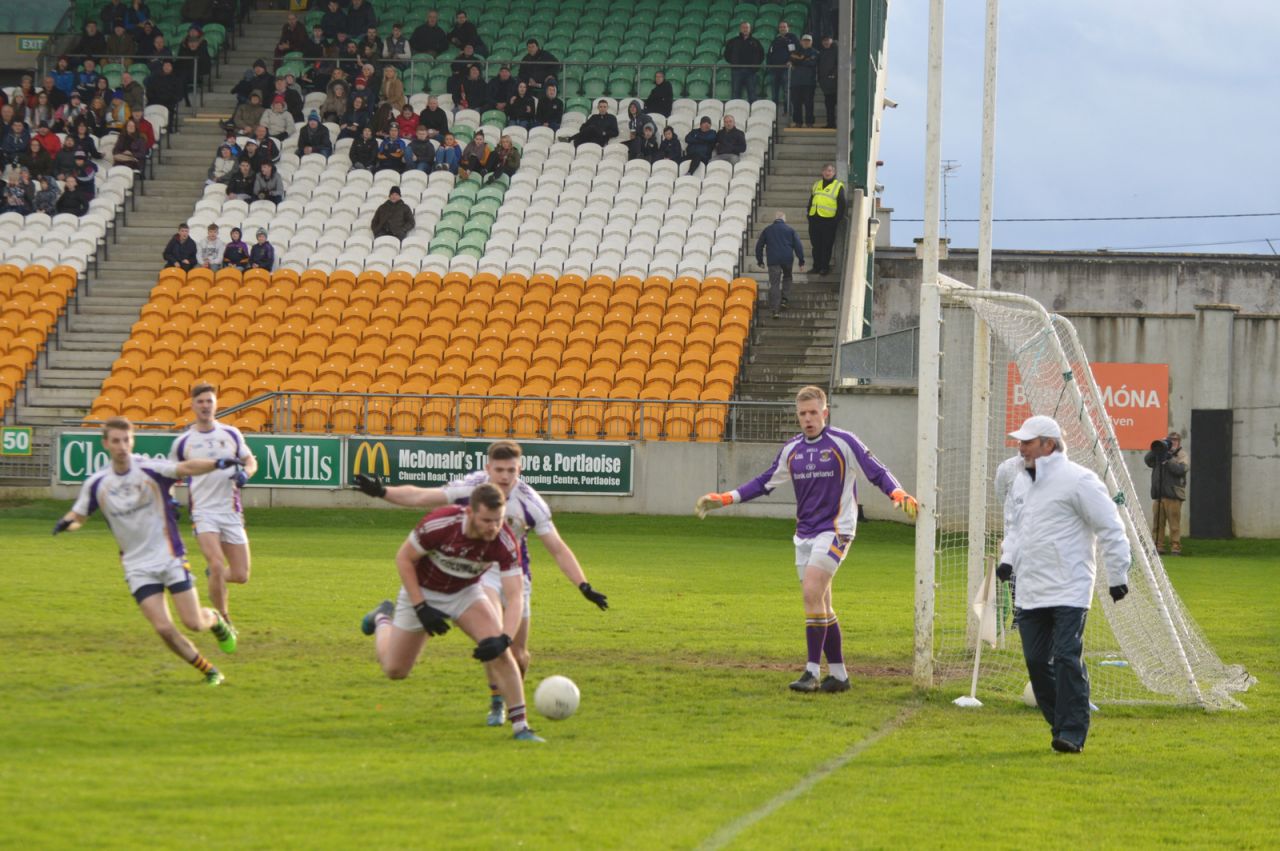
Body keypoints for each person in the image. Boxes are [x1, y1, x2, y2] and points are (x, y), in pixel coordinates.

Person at [353, 441, 608, 728]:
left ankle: (514, 713)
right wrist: (382, 492)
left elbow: (557, 548)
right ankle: (498, 704)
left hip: (512, 566)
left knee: (517, 653)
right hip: (479, 573)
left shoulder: (531, 503)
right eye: (498, 470)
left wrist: (583, 585)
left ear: (519, 470)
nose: (504, 476)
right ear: (488, 468)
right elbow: (422, 496)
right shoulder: (471, 489)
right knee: (492, 637)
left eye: (511, 470)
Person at [696, 385, 918, 693]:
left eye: (814, 412)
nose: (808, 418)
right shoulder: (793, 450)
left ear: (825, 412)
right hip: (805, 535)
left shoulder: (843, 442)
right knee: (821, 603)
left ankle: (811, 671)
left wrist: (898, 492)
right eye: (803, 414)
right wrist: (725, 498)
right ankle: (839, 676)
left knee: (812, 592)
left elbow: (876, 470)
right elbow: (764, 482)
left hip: (837, 529)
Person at [53, 416, 241, 686]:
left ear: (132, 441)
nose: (122, 446)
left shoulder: (150, 469)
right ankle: (210, 670)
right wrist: (66, 524)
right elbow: (79, 515)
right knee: (164, 628)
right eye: (116, 441)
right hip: (136, 566)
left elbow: (185, 467)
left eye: (126, 440)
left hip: (169, 557)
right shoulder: (97, 483)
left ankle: (216, 622)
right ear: (106, 444)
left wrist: (216, 463)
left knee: (193, 622)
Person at [356, 483, 545, 742]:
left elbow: (514, 597)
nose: (493, 527)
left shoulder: (504, 541)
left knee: (500, 651)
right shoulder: (441, 524)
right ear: (470, 513)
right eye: (487, 520)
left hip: (465, 593)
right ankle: (382, 618)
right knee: (395, 670)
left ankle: (521, 727)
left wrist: (505, 639)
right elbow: (404, 558)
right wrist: (421, 607)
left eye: (498, 520)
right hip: (423, 591)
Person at [999, 415, 1131, 753]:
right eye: (1021, 441)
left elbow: (1110, 527)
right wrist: (1007, 560)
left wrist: (1118, 575)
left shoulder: (1079, 481)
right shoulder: (1019, 483)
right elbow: (1015, 528)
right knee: (1035, 662)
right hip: (1029, 590)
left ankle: (1072, 731)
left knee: (1066, 656)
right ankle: (1061, 724)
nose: (1021, 446)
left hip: (1070, 588)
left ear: (1049, 444)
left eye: (1028, 441)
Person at [169, 384, 258, 623]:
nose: (205, 406)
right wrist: (168, 501)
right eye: (201, 401)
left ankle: (214, 577)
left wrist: (246, 474)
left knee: (241, 575)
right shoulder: (184, 442)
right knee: (217, 564)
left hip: (230, 512)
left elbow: (250, 460)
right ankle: (225, 619)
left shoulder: (231, 434)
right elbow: (170, 474)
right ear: (192, 405)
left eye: (209, 401)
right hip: (203, 513)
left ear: (216, 404)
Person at [1144, 430, 1188, 556]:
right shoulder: (1160, 453)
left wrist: (1169, 459)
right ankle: (1158, 546)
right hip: (1159, 494)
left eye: (1175, 440)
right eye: (1171, 440)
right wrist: (1157, 449)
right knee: (1157, 524)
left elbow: (1181, 470)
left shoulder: (1182, 455)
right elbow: (1147, 461)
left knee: (1174, 524)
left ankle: (1176, 547)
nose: (1173, 442)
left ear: (1179, 442)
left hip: (1174, 495)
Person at [755, 212, 805, 318]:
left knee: (775, 284)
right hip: (787, 259)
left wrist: (760, 261)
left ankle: (775, 310)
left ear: (775, 219)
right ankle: (785, 300)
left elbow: (759, 246)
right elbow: (798, 246)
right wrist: (801, 261)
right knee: (787, 277)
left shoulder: (767, 230)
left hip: (773, 260)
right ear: (784, 219)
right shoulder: (790, 230)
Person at [807, 162, 846, 274]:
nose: (827, 173)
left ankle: (824, 267)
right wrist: (809, 215)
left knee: (826, 245)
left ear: (834, 173)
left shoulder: (838, 186)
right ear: (822, 172)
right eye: (825, 170)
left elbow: (842, 204)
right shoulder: (816, 184)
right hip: (815, 218)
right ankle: (816, 267)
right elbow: (811, 200)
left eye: (830, 171)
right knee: (816, 245)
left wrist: (836, 220)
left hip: (829, 221)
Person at [723, 21, 764, 102]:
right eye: (743, 27)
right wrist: (733, 63)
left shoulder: (756, 42)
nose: (745, 29)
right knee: (735, 94)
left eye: (747, 27)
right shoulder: (733, 41)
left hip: (751, 72)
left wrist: (755, 68)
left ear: (750, 29)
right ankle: (735, 112)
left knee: (752, 94)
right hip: (737, 71)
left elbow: (761, 55)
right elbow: (726, 54)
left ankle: (753, 113)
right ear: (740, 29)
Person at [767, 21, 800, 106]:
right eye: (781, 27)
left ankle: (787, 112)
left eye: (784, 27)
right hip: (774, 70)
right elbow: (770, 53)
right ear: (778, 29)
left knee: (787, 91)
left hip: (786, 69)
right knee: (774, 93)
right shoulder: (775, 40)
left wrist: (791, 61)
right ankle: (774, 113)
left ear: (788, 28)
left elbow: (796, 51)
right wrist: (769, 65)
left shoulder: (793, 38)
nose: (782, 28)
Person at [789, 35, 818, 127]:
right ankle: (798, 122)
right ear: (801, 42)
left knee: (809, 104)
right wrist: (804, 59)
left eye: (808, 41)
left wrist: (797, 61)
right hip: (795, 82)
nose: (806, 42)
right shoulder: (796, 51)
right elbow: (791, 60)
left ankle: (809, 122)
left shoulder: (815, 52)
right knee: (796, 104)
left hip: (809, 82)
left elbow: (812, 63)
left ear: (811, 42)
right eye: (804, 40)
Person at [817, 35, 838, 128]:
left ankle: (839, 124)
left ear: (831, 40)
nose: (826, 42)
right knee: (829, 106)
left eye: (827, 40)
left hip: (837, 83)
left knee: (837, 105)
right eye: (824, 41)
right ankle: (830, 124)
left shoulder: (837, 51)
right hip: (826, 84)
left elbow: (839, 64)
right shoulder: (821, 53)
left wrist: (833, 75)